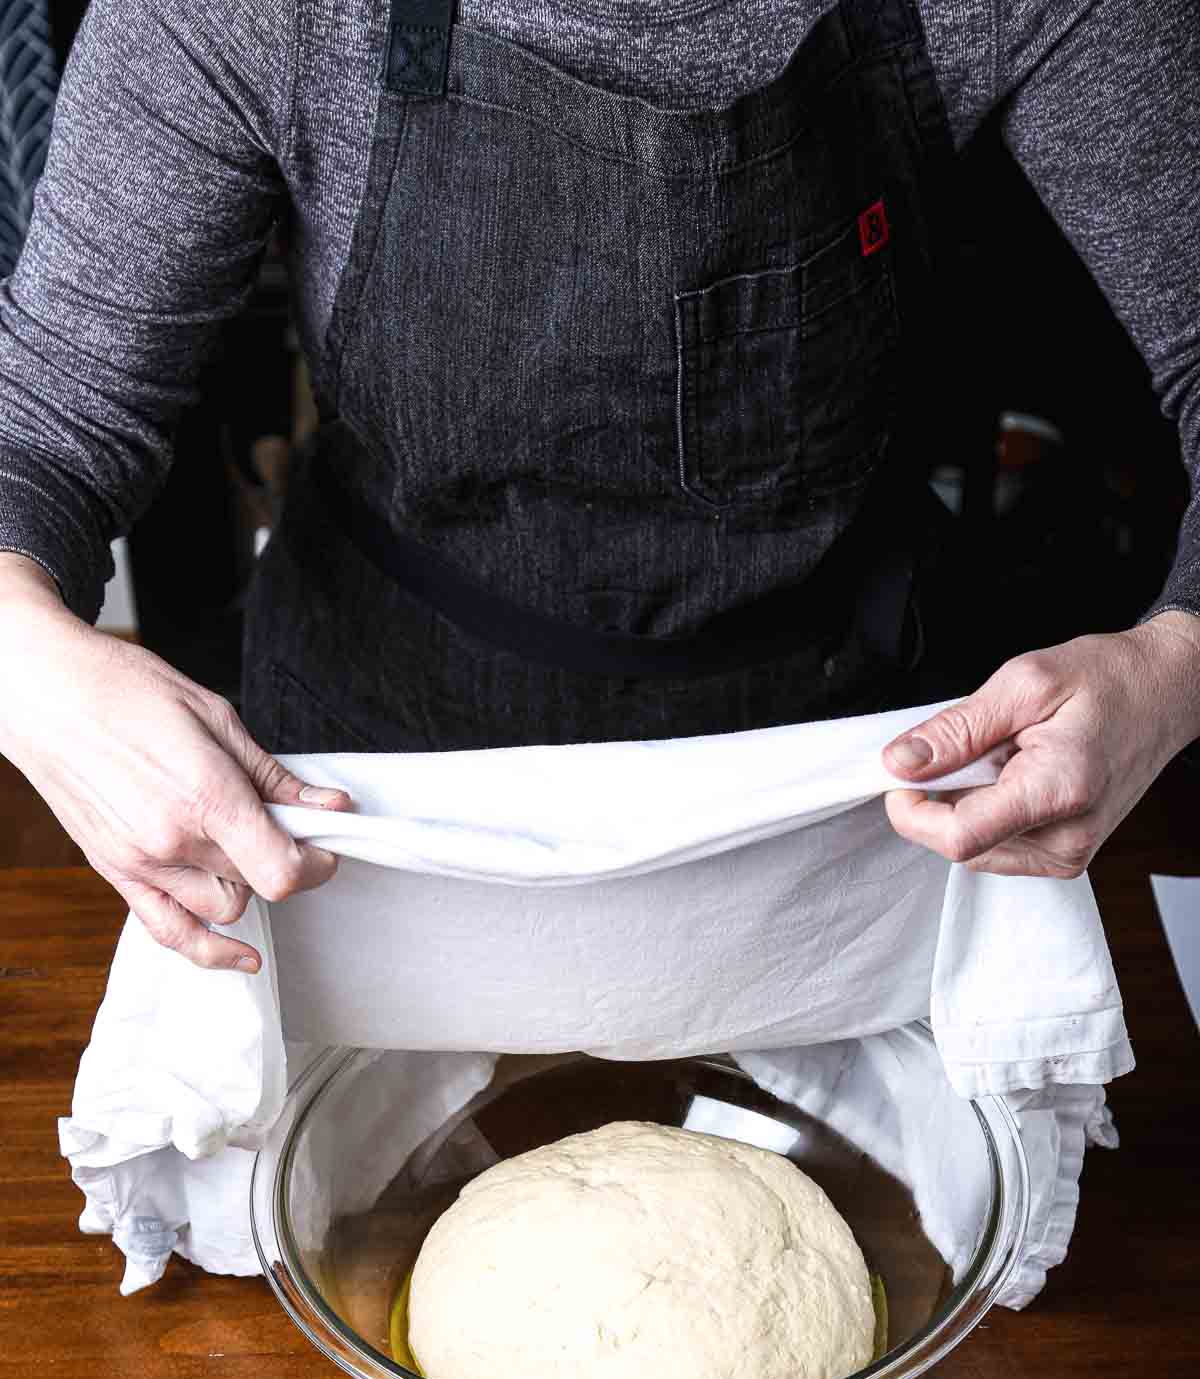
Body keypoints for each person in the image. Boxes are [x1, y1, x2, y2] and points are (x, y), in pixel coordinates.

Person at [0, 0, 1197, 976]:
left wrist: (1176, 665)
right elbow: (45, 417)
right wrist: (26, 663)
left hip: (857, 795)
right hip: (381, 798)